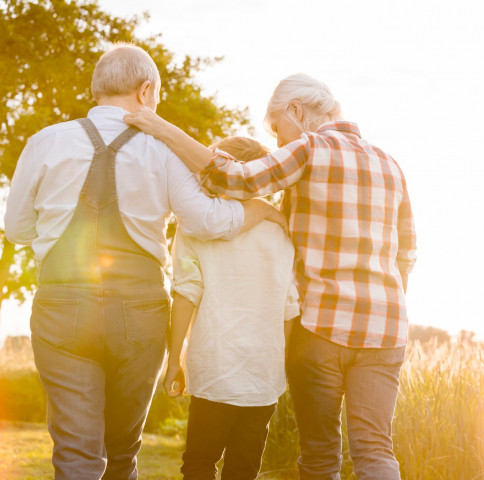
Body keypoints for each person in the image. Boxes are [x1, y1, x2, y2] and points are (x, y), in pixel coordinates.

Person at [3, 44, 283, 480]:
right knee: (121, 453)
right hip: (139, 314)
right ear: (146, 90)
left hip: (60, 311)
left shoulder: (45, 142)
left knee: (76, 454)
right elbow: (207, 220)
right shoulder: (163, 150)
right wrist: (259, 210)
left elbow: (17, 228)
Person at [124, 72, 417, 480]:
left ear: (296, 111)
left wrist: (159, 126)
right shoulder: (390, 164)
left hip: (322, 327)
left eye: (278, 129)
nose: (280, 143)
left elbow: (233, 178)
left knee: (320, 454)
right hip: (386, 331)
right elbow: (407, 254)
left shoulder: (308, 149)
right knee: (376, 450)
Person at [164, 135, 300, 480]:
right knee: (244, 469)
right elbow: (289, 309)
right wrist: (279, 366)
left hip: (215, 366)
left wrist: (174, 359)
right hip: (263, 374)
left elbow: (185, 294)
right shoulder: (281, 233)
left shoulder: (196, 227)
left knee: (198, 463)